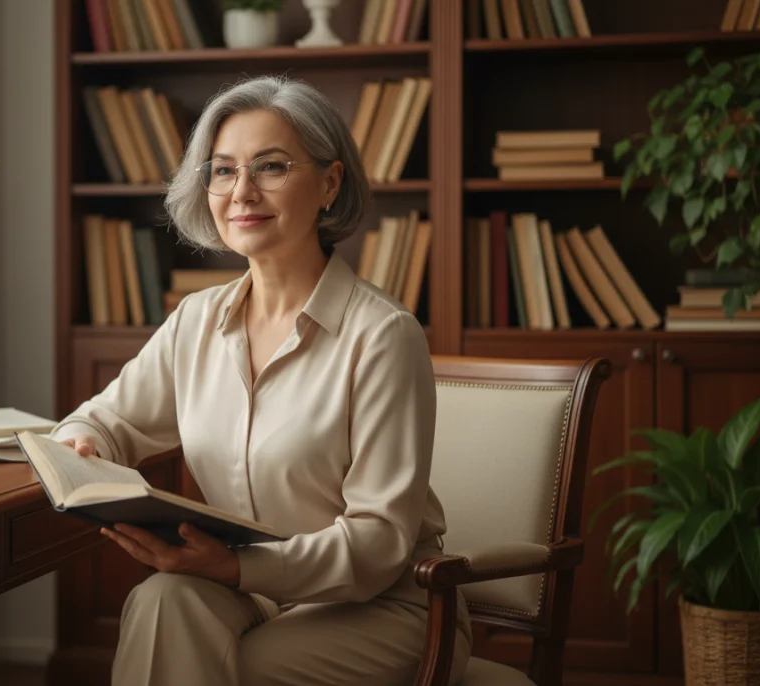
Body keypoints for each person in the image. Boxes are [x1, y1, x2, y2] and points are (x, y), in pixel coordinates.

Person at [49, 75, 471, 686]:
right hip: (248, 590)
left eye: (271, 167)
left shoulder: (384, 335)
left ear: (330, 183)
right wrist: (78, 447)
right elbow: (105, 420)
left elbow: (380, 542)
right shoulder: (196, 320)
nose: (242, 191)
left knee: (232, 666)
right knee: (160, 602)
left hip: (382, 605)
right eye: (222, 171)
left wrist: (236, 570)